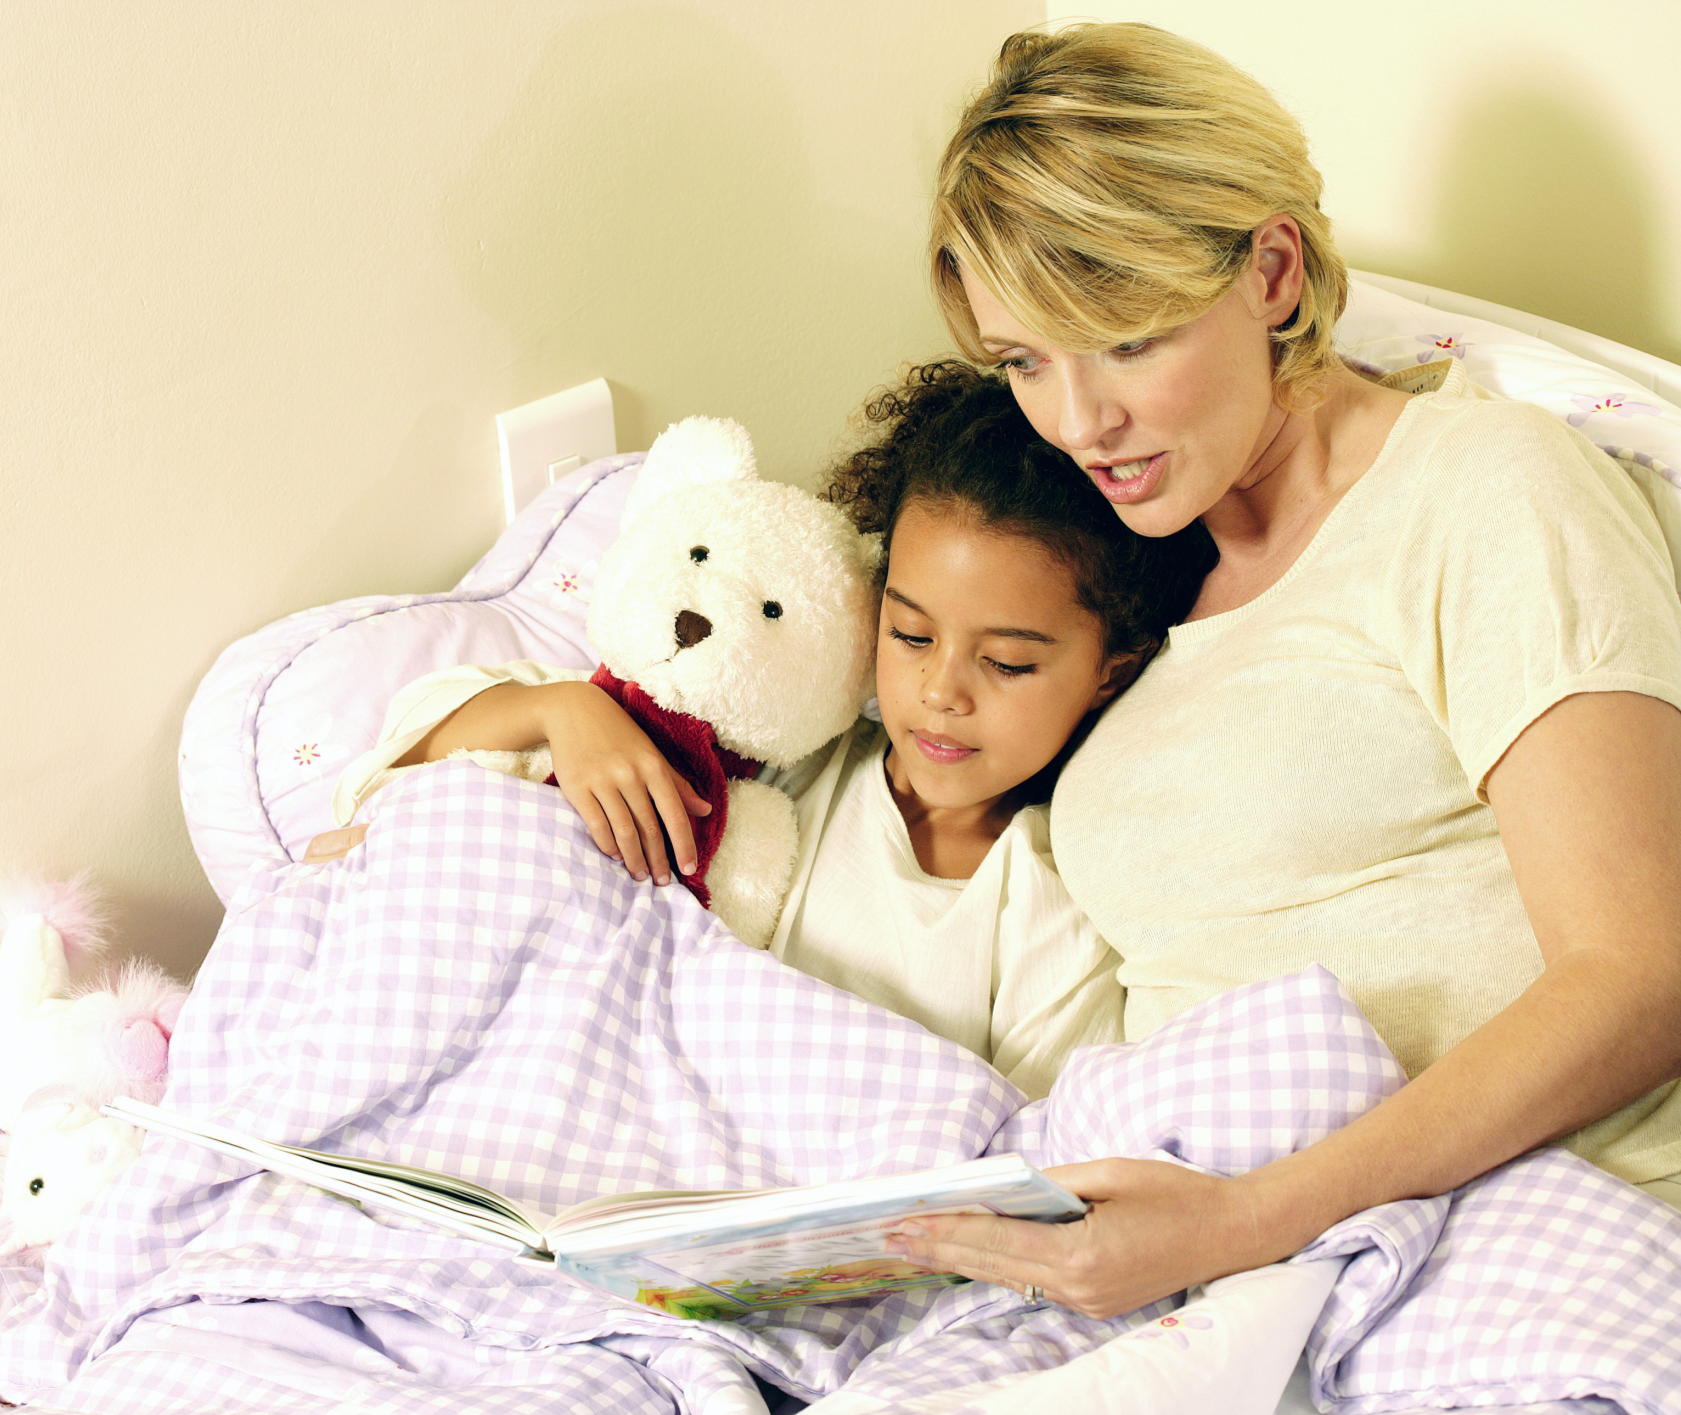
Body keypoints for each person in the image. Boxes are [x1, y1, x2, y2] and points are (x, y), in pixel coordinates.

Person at [883, 21, 1681, 1317]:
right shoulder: (1119, 570)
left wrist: (1245, 1222)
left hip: (1485, 1245)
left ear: (1269, 270)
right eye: (1024, 359)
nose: (1080, 421)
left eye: (1126, 341)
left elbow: (1641, 974)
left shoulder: (1479, 492)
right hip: (1184, 1258)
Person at [332, 367, 1214, 1098]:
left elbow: (1043, 1156)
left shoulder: (1042, 901)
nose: (940, 691)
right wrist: (563, 711)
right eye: (911, 635)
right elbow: (393, 766)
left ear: (1110, 671)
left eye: (1008, 663)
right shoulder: (792, 751)